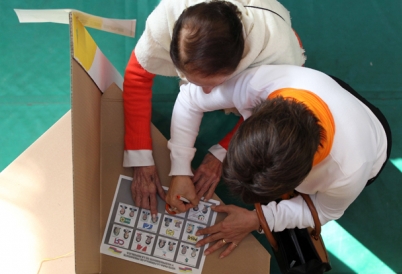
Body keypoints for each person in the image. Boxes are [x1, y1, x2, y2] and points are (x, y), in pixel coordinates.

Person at [167, 65, 391, 258]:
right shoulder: (258, 84)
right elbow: (190, 98)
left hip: (374, 133)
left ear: (303, 176)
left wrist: (259, 219)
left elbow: (325, 210)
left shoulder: (350, 171)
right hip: (323, 87)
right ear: (253, 115)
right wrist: (179, 169)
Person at [122, 0, 306, 218]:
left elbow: (264, 114)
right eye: (193, 81)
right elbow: (138, 78)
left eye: (217, 83)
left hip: (274, 42)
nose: (206, 94)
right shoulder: (165, 20)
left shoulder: (280, 59)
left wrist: (221, 153)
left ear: (240, 63)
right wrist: (141, 157)